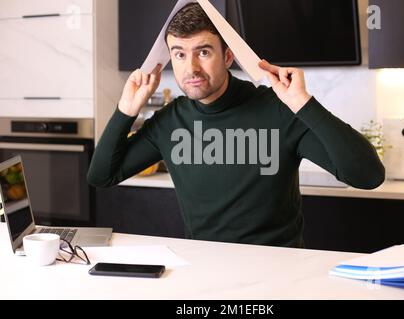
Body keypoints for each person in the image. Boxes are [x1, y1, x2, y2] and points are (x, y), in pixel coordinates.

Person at [87, 3, 385, 248]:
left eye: (203, 52)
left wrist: (304, 104)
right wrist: (126, 109)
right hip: (207, 271)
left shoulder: (278, 111)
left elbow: (368, 175)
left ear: (228, 56)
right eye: (179, 54)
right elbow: (101, 176)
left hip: (278, 274)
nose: (191, 68)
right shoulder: (170, 121)